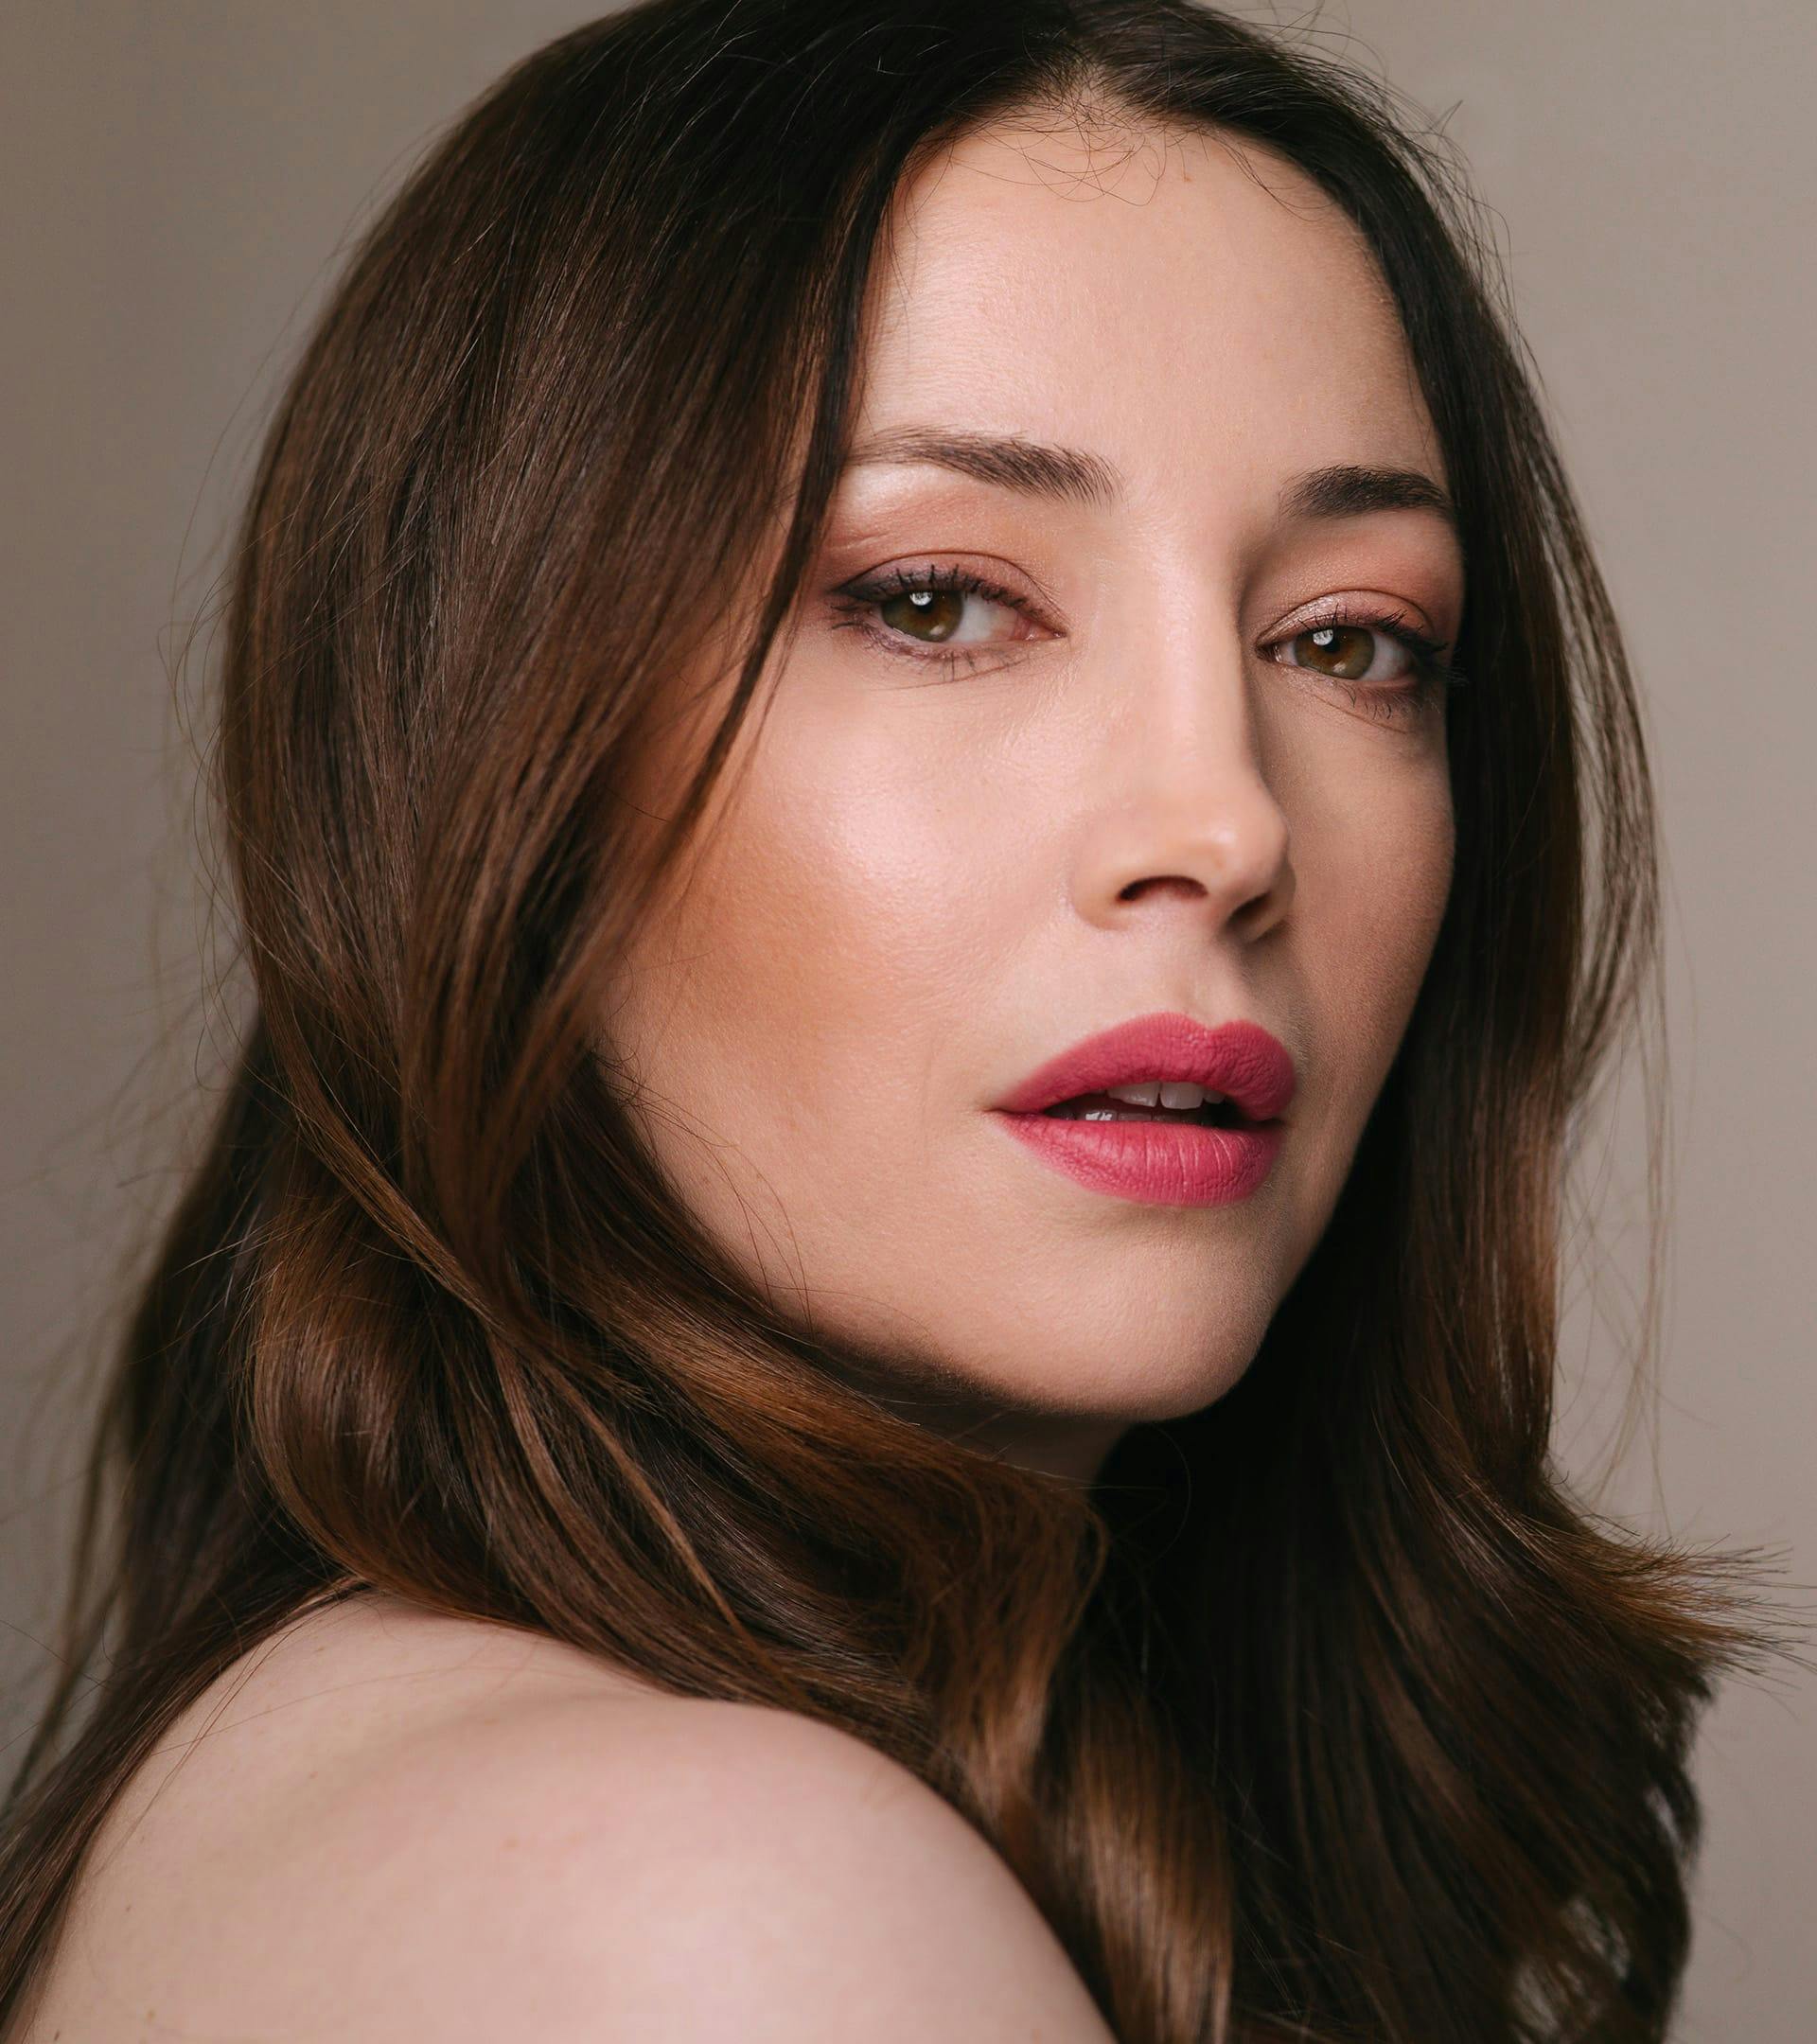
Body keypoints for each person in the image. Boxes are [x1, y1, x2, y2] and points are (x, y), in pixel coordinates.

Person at [0, 3, 1792, 2039]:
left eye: (1350, 639)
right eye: (937, 599)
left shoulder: (415, 1778)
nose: (1223, 822)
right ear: (481, 751)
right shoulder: (699, 1909)